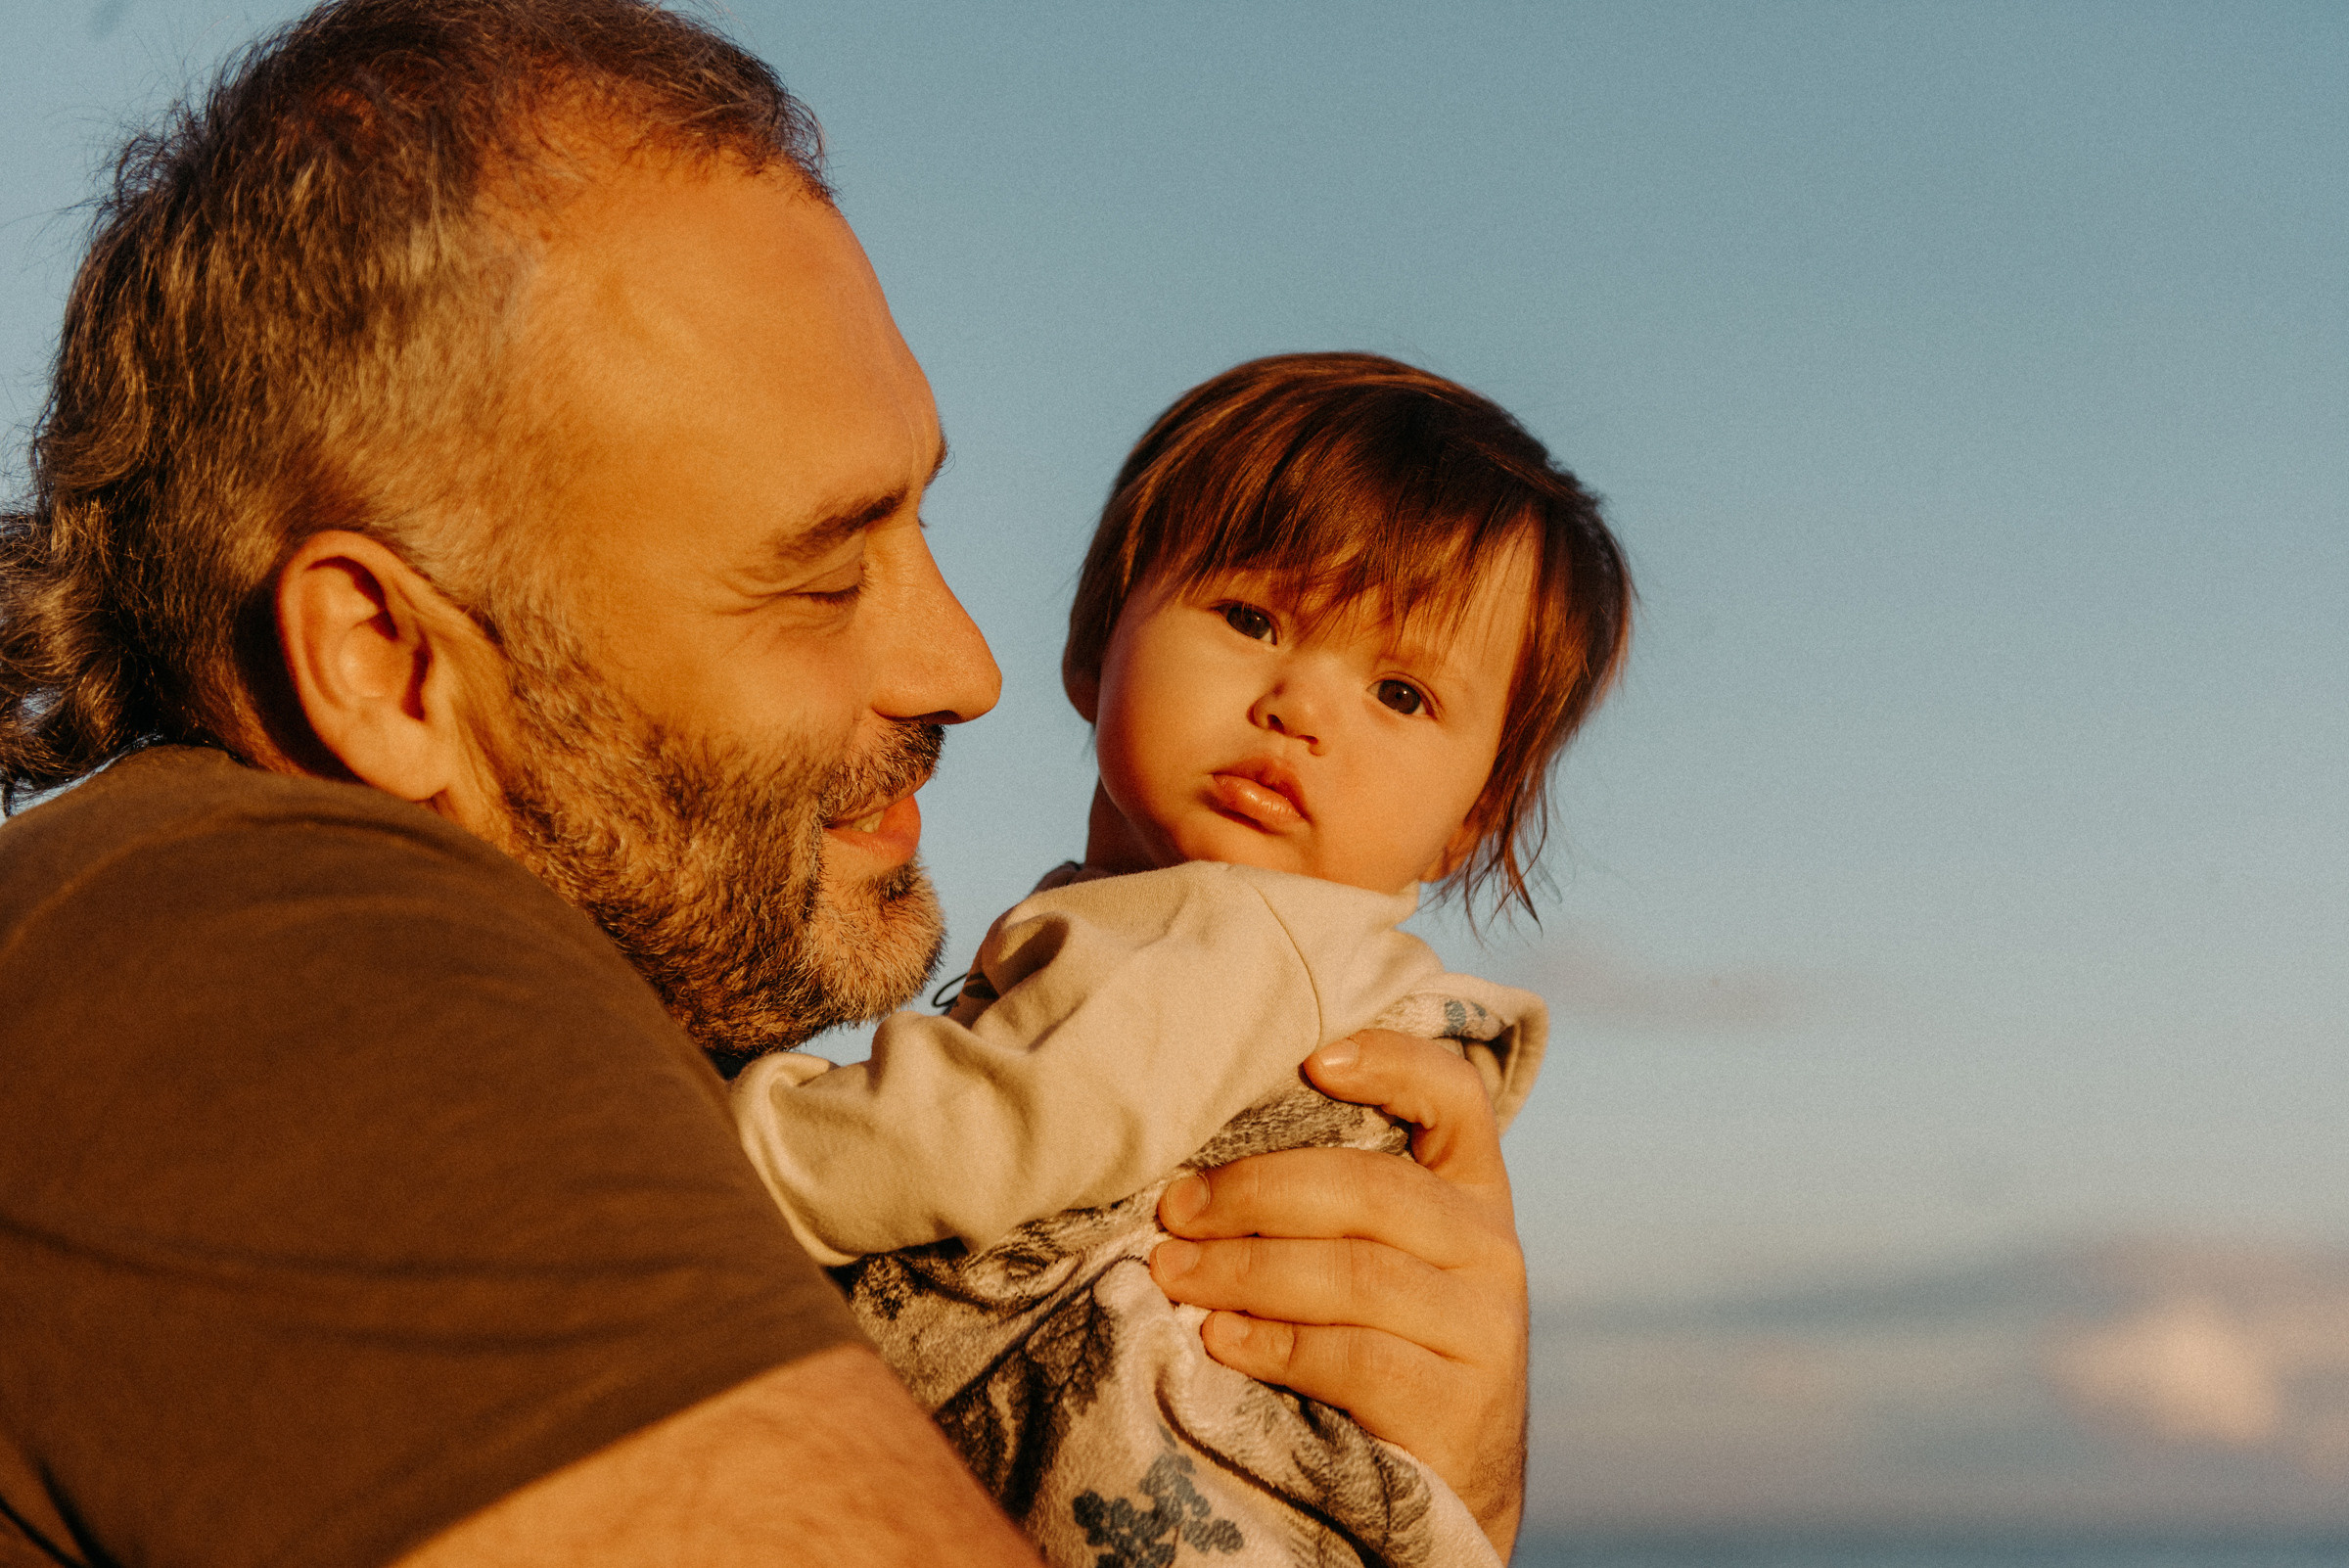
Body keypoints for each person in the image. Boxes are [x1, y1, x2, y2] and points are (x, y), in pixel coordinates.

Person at [0, 4, 1533, 1567]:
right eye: (816, 576)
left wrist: (1423, 1466)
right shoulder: (266, 969)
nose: (969, 666)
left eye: (921, 522)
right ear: (388, 665)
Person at [729, 352, 1632, 1566]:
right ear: (1099, 640)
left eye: (1402, 694)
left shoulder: (1236, 930)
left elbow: (1000, 1123)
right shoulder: (1221, 932)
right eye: (1253, 619)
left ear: (1478, 810)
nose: (1302, 704)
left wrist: (737, 1144)